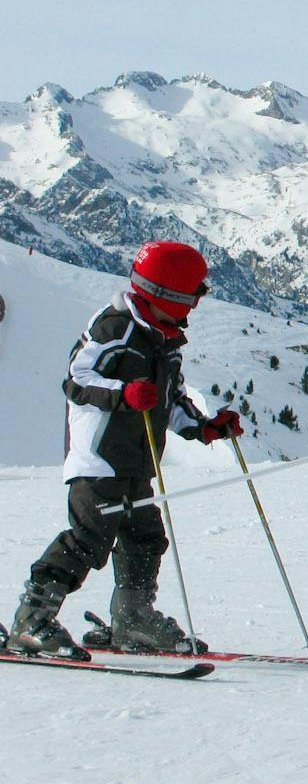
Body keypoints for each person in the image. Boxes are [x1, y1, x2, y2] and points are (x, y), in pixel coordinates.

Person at [8, 241, 244, 658]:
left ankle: (132, 618)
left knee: (146, 537)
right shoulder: (115, 327)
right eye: (194, 294)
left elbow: (170, 399)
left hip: (137, 462)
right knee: (88, 537)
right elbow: (76, 380)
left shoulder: (164, 340)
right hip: (99, 459)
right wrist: (123, 393)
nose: (196, 304)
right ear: (167, 294)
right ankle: (31, 620)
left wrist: (206, 427)